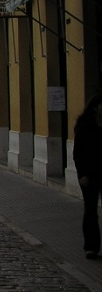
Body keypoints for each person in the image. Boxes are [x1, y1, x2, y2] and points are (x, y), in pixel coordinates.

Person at [73, 94, 102, 260]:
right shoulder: (84, 126)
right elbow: (78, 153)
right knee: (90, 211)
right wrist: (82, 174)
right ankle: (91, 246)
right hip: (89, 175)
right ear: (95, 107)